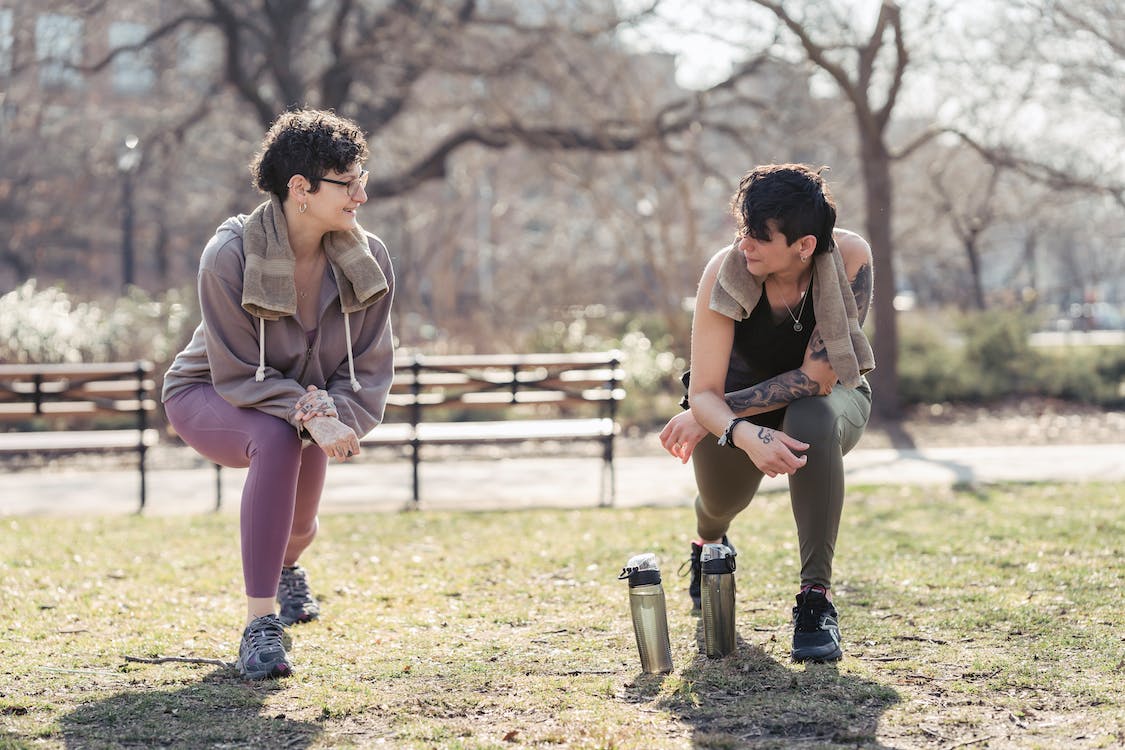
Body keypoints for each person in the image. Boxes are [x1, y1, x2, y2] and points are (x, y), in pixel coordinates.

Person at [162, 109, 395, 680]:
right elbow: (239, 371)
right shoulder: (230, 258)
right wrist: (309, 412)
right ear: (301, 188)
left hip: (309, 407)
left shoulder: (369, 263)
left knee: (300, 526)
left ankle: (288, 566)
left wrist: (332, 414)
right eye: (348, 181)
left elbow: (368, 365)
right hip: (212, 394)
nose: (361, 195)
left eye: (361, 178)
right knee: (275, 438)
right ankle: (259, 627)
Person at [658, 163, 874, 662]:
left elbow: (817, 377)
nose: (745, 245)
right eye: (742, 230)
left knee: (810, 414)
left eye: (760, 236)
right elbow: (705, 390)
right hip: (735, 409)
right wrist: (738, 432)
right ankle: (707, 542)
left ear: (803, 246)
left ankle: (815, 601)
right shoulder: (724, 270)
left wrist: (710, 414)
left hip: (830, 398)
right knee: (719, 502)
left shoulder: (850, 257)